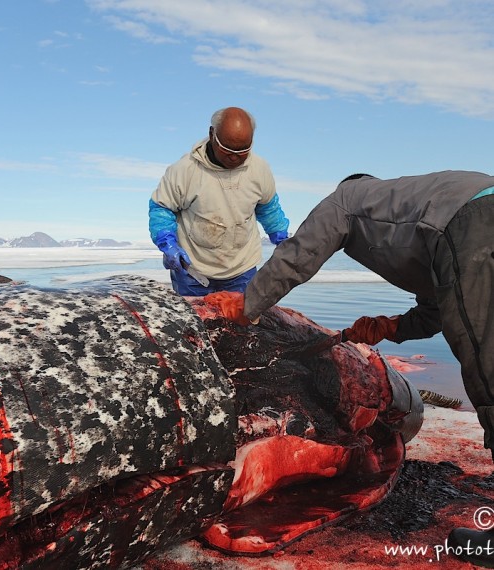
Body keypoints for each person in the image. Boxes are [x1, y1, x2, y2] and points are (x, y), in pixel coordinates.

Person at [214, 170, 494, 567]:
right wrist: (392, 327)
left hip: (475, 225)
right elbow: (443, 304)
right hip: (479, 219)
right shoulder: (416, 204)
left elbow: (300, 255)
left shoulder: (345, 200)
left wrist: (248, 305)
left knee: (489, 374)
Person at [149, 106, 289, 295]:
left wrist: (281, 238)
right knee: (196, 322)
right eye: (227, 149)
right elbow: (162, 209)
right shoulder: (185, 170)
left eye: (242, 151)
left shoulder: (259, 170)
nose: (234, 157)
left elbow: (268, 208)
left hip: (242, 270)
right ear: (212, 133)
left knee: (242, 323)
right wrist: (168, 244)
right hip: (192, 271)